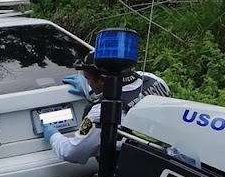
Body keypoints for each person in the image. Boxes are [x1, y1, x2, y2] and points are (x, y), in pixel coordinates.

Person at [42, 50, 171, 165]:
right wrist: (92, 92)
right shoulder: (154, 80)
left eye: (88, 79)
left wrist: (54, 137)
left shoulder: (102, 112)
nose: (88, 84)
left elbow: (72, 152)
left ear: (103, 80)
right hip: (165, 157)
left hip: (129, 173)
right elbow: (126, 92)